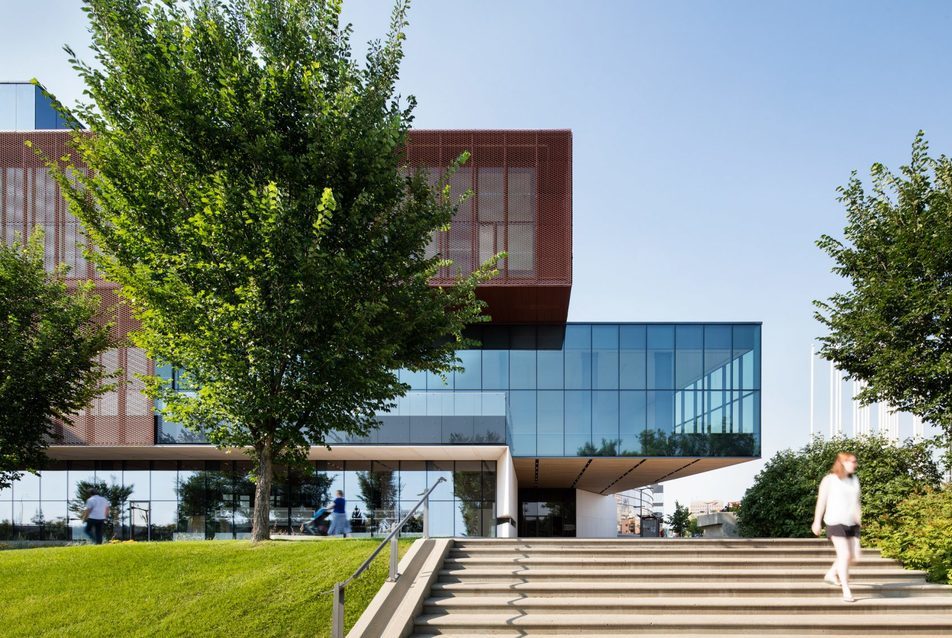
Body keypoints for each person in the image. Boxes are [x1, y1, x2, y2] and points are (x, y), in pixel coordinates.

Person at [812, 452, 862, 602]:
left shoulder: (854, 480)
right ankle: (846, 589)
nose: (855, 464)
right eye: (852, 462)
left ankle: (831, 573)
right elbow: (821, 501)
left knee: (854, 557)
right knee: (845, 555)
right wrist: (817, 521)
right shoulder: (829, 480)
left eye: (855, 462)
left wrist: (859, 518)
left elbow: (856, 501)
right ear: (842, 463)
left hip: (852, 523)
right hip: (835, 521)